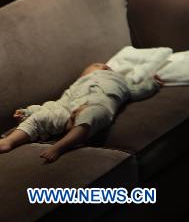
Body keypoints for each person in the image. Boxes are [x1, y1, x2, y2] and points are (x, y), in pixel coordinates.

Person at [0, 62, 160, 162]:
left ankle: (61, 146)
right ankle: (9, 141)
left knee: (94, 113)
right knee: (42, 115)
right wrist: (28, 112)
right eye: (94, 66)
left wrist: (152, 83)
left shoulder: (121, 81)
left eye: (99, 65)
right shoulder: (78, 83)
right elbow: (50, 106)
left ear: (107, 69)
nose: (98, 67)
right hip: (66, 107)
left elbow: (140, 90)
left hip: (99, 100)